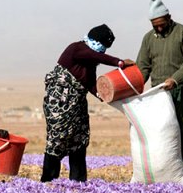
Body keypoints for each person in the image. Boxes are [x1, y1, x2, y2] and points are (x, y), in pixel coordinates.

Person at [41, 24, 135, 182]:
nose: (102, 50)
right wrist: (119, 63)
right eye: (102, 45)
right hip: (60, 103)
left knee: (79, 141)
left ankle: (78, 182)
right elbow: (97, 57)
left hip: (77, 104)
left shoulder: (90, 61)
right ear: (93, 40)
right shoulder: (77, 49)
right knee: (58, 139)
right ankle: (48, 182)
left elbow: (90, 83)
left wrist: (103, 95)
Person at [135, 0, 183, 168]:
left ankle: (182, 167)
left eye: (162, 25)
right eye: (155, 26)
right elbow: (143, 66)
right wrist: (135, 84)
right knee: (163, 132)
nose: (159, 29)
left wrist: (176, 79)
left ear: (169, 18)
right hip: (159, 94)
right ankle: (165, 167)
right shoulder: (148, 38)